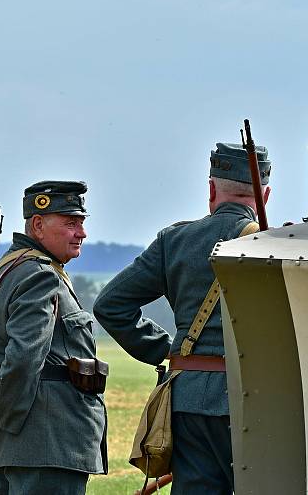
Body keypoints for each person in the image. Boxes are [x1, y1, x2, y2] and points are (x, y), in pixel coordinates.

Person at [92, 143, 271, 495]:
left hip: (187, 400)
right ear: (265, 194)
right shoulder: (279, 245)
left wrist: (172, 351)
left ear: (211, 189)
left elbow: (111, 305)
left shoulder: (175, 241)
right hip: (255, 400)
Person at [0, 181, 108, 495]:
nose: (82, 233)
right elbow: (24, 357)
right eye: (70, 223)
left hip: (15, 446)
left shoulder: (3, 273)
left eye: (81, 223)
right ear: (38, 225)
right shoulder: (39, 276)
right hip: (46, 445)